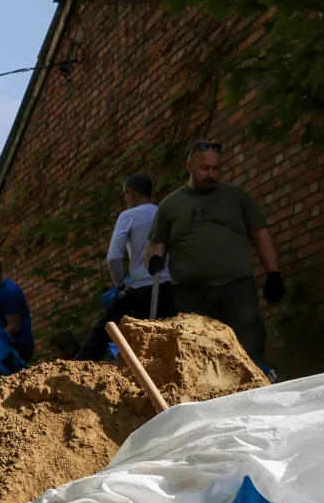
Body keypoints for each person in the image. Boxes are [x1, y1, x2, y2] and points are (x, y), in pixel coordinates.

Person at [146, 141, 283, 366]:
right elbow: (155, 245)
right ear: (189, 166)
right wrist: (153, 260)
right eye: (204, 168)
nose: (211, 174)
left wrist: (273, 274)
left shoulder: (237, 197)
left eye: (216, 168)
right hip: (193, 293)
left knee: (249, 346)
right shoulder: (171, 205)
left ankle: (256, 392)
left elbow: (260, 235)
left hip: (237, 287)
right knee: (201, 353)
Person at [78, 173, 176, 360]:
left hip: (140, 289)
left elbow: (114, 257)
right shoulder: (164, 212)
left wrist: (120, 286)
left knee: (104, 331)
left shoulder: (129, 216)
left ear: (130, 192)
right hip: (170, 290)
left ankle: (70, 374)